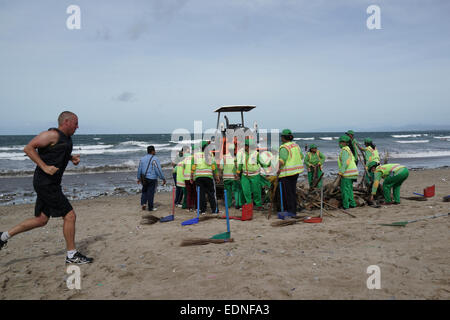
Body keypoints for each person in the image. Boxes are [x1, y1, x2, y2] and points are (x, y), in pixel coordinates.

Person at [0, 111, 93, 264]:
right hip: (46, 183)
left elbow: (56, 152)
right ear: (67, 122)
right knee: (70, 216)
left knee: (41, 220)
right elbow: (29, 148)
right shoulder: (51, 135)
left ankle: (3, 237)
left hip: (50, 183)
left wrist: (71, 158)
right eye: (76, 123)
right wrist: (44, 167)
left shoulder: (66, 139)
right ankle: (71, 255)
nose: (78, 126)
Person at [277, 129, 305, 215]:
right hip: (295, 172)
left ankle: (290, 211)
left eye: (281, 137)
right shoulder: (296, 146)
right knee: (292, 192)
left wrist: (277, 170)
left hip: (287, 174)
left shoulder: (284, 147)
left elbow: (282, 161)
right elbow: (301, 156)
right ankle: (293, 210)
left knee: (287, 193)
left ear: (283, 138)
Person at [190, 141, 220, 214]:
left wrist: (191, 177)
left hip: (198, 178)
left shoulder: (196, 155)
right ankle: (214, 210)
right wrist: (217, 177)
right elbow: (214, 167)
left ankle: (203, 210)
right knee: (211, 194)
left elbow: (193, 168)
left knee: (201, 194)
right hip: (208, 177)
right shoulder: (210, 155)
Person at [236, 138, 264, 211]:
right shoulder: (242, 154)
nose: (243, 147)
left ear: (249, 146)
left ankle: (258, 205)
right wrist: (238, 173)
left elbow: (262, 162)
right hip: (245, 176)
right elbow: (240, 165)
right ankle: (249, 204)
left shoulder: (256, 154)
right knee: (246, 191)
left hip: (255, 176)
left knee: (256, 191)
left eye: (245, 146)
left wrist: (267, 165)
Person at [137, 145, 166, 211]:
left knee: (144, 191)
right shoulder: (155, 159)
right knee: (150, 192)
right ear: (152, 151)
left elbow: (139, 169)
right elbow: (158, 169)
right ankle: (150, 208)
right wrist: (163, 178)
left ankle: (143, 204)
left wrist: (138, 178)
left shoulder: (142, 159)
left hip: (143, 178)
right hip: (152, 178)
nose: (155, 152)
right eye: (154, 150)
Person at [337, 135, 359, 209]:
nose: (339, 144)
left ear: (343, 143)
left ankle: (346, 205)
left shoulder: (344, 151)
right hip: (353, 173)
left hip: (347, 174)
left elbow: (345, 163)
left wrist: (341, 172)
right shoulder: (349, 150)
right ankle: (352, 204)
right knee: (349, 190)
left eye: (340, 142)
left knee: (344, 191)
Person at [183, 146, 196, 211]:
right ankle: (195, 206)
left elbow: (183, 168)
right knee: (194, 192)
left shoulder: (185, 159)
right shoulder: (193, 158)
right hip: (192, 177)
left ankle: (189, 207)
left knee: (189, 193)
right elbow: (193, 168)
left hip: (186, 177)